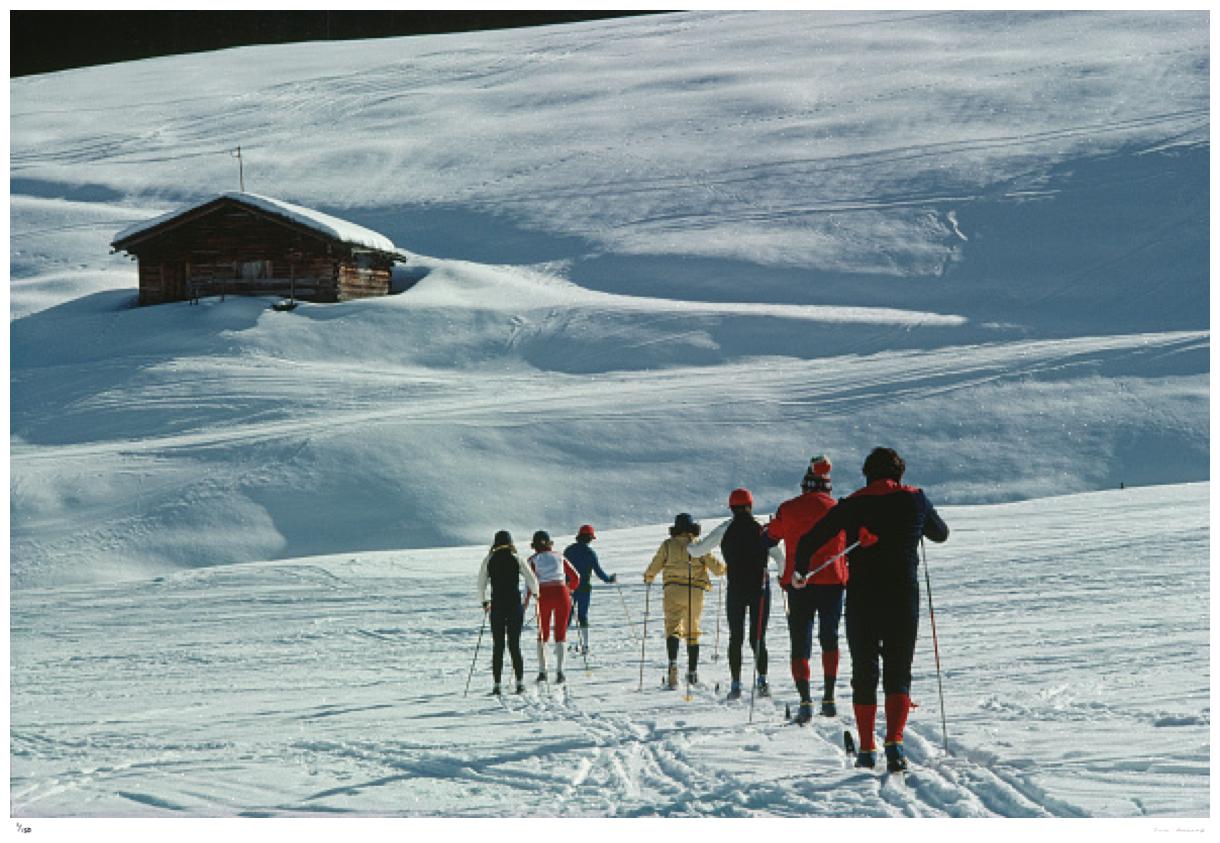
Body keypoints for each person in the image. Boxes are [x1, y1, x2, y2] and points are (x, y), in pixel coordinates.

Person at [794, 447, 949, 773]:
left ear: (868, 473)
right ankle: (894, 742)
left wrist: (800, 571)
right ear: (899, 473)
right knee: (898, 672)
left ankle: (866, 748)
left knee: (864, 672)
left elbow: (812, 539)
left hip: (863, 599)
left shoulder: (853, 503)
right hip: (902, 598)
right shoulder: (915, 498)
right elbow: (941, 534)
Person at [765, 455, 848, 724]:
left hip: (798, 583)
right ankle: (830, 697)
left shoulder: (788, 508)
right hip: (833, 581)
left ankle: (805, 700)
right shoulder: (837, 509)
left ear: (805, 486)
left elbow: (771, 536)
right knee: (829, 637)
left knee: (800, 641)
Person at [688, 489, 785, 700]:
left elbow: (697, 551)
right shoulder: (761, 528)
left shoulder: (726, 528)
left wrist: (688, 541)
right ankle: (762, 681)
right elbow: (779, 558)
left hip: (737, 589)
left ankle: (736, 684)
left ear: (731, 507)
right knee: (758, 637)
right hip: (760, 589)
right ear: (751, 504)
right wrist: (782, 576)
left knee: (736, 637)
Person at [644, 513, 727, 689]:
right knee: (692, 630)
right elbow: (717, 568)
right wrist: (724, 569)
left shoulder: (668, 545)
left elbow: (656, 564)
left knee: (672, 627)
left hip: (672, 589)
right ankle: (692, 672)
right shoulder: (697, 545)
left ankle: (673, 664)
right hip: (695, 591)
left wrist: (649, 576)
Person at [476, 530, 540, 695]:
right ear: (510, 542)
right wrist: (536, 594)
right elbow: (531, 579)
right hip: (514, 606)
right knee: (514, 645)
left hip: (497, 606)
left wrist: (484, 601)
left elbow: (481, 583)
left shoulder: (489, 559)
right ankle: (519, 683)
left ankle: (497, 685)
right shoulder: (516, 558)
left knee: (498, 646)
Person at [528, 530, 581, 684]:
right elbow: (576, 577)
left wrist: (525, 604)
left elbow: (529, 584)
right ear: (550, 542)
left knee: (543, 634)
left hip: (543, 596)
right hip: (561, 594)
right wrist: (570, 589)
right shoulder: (559, 556)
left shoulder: (532, 559)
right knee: (560, 633)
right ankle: (560, 672)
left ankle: (542, 672)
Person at [563, 524, 617, 655]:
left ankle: (560, 644)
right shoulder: (590, 553)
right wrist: (609, 579)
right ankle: (585, 645)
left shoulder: (568, 551)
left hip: (569, 588)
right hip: (584, 589)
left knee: (567, 616)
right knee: (583, 616)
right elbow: (599, 572)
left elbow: (562, 569)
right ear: (588, 538)